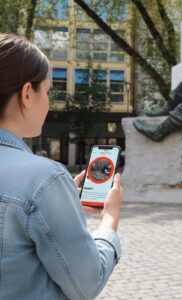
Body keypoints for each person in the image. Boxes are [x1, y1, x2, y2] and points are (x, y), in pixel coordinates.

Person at [0, 33, 123, 299]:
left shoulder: (44, 183)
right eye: (47, 90)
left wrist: (54, 208)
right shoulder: (43, 179)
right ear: (26, 93)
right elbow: (87, 283)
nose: (48, 101)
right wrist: (109, 222)